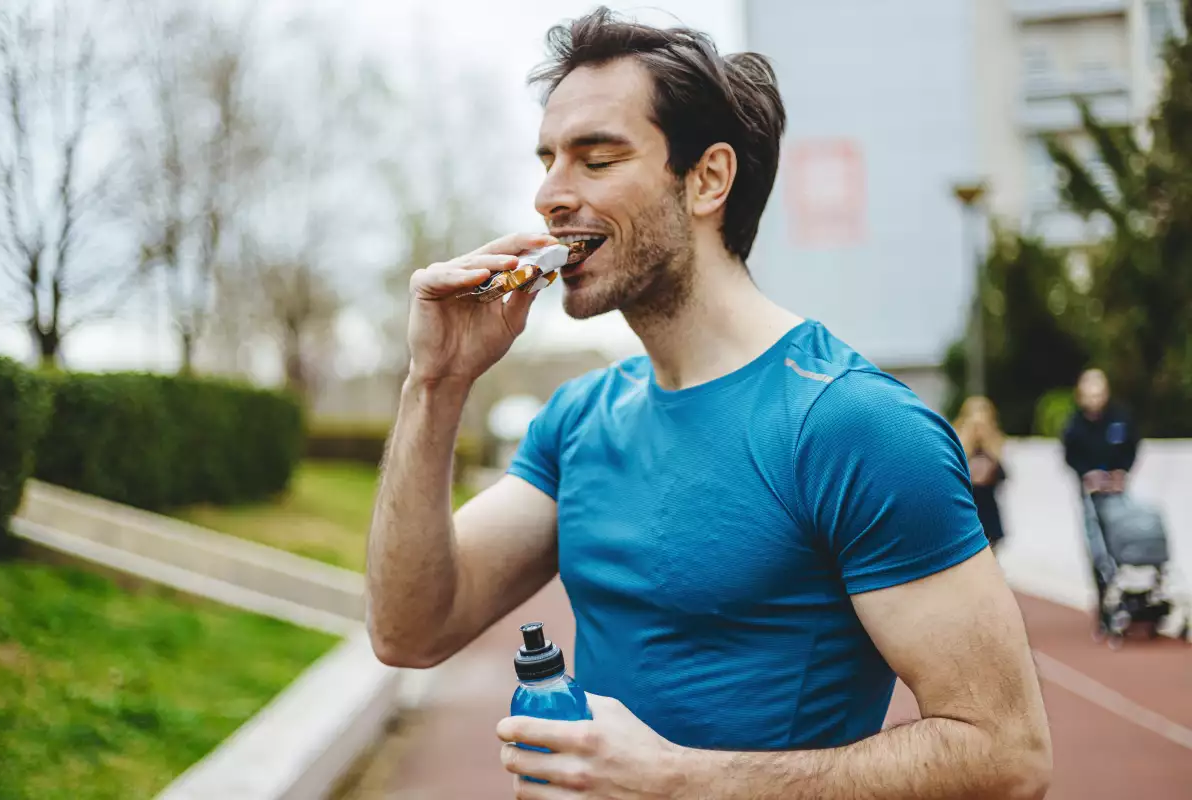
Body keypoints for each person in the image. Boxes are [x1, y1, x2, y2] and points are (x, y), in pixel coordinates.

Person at [365, 8, 1051, 798]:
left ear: (708, 179)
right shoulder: (577, 419)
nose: (549, 195)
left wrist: (674, 778)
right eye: (548, 161)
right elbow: (409, 631)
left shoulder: (854, 426)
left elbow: (1007, 756)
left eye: (596, 159)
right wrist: (435, 383)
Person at [1061, 368, 1140, 628]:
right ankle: (1103, 599)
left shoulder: (1120, 417)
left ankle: (1124, 600)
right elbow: (1070, 455)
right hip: (1091, 496)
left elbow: (1132, 446)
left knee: (1123, 542)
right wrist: (1087, 475)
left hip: (1117, 493)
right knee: (1097, 549)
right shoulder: (1075, 424)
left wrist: (1121, 472)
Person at [953, 396, 1008, 553]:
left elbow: (1003, 477)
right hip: (966, 514)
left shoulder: (994, 445)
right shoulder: (957, 445)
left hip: (988, 512)